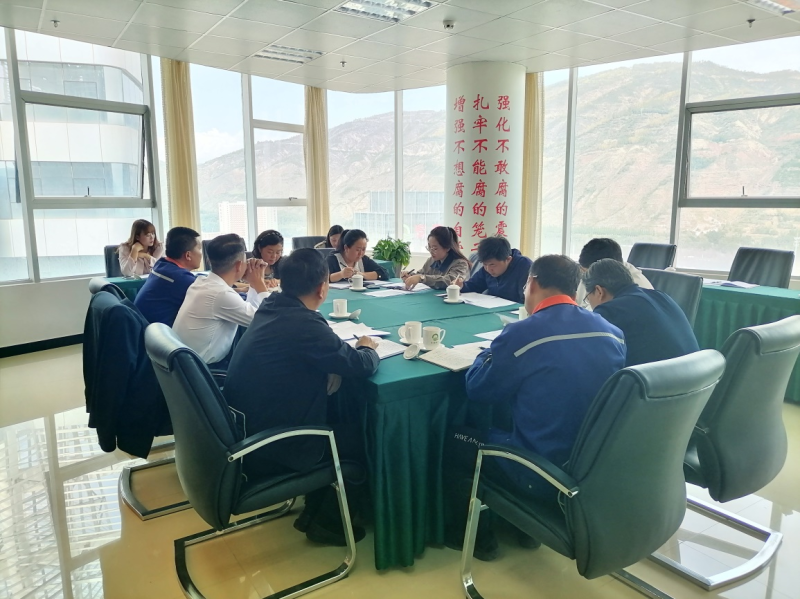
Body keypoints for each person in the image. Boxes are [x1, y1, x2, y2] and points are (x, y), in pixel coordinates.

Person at [445, 254, 626, 560]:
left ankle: (477, 539)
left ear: (532, 283)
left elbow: (478, 389)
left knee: (456, 441)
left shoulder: (523, 333)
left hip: (537, 469)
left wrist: (486, 355)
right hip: (590, 465)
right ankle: (525, 531)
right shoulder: (612, 332)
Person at [224, 248, 379, 545]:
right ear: (322, 288)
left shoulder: (273, 305)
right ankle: (328, 523)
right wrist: (367, 347)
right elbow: (359, 365)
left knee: (337, 420)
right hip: (272, 445)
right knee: (359, 437)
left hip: (247, 429)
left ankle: (313, 511)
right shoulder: (304, 324)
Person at [173, 234, 269, 368]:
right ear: (238, 265)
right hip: (206, 370)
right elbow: (268, 320)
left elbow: (252, 313)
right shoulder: (220, 294)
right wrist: (260, 284)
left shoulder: (202, 282)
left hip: (188, 366)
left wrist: (253, 284)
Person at [583, 259, 699, 367]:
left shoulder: (609, 311)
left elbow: (594, 361)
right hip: (699, 376)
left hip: (659, 381)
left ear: (599, 291)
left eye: (588, 298)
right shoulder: (662, 296)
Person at [133, 227, 202, 326]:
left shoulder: (161, 265)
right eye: (199, 249)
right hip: (156, 333)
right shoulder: (180, 279)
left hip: (147, 329)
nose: (201, 253)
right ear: (188, 255)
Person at [576, 238, 653, 308]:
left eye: (586, 273)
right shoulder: (594, 275)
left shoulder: (635, 292)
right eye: (583, 272)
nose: (585, 278)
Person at [454, 236, 532, 303]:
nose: (488, 269)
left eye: (492, 265)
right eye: (485, 264)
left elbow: (527, 299)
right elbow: (474, 286)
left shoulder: (524, 266)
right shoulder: (487, 269)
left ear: (508, 259)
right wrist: (462, 285)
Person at [402, 226, 470, 290]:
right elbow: (421, 274)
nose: (431, 251)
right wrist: (410, 276)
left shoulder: (461, 263)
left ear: (447, 248)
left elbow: (449, 281)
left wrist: (421, 278)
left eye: (435, 248)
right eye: (429, 247)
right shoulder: (431, 260)